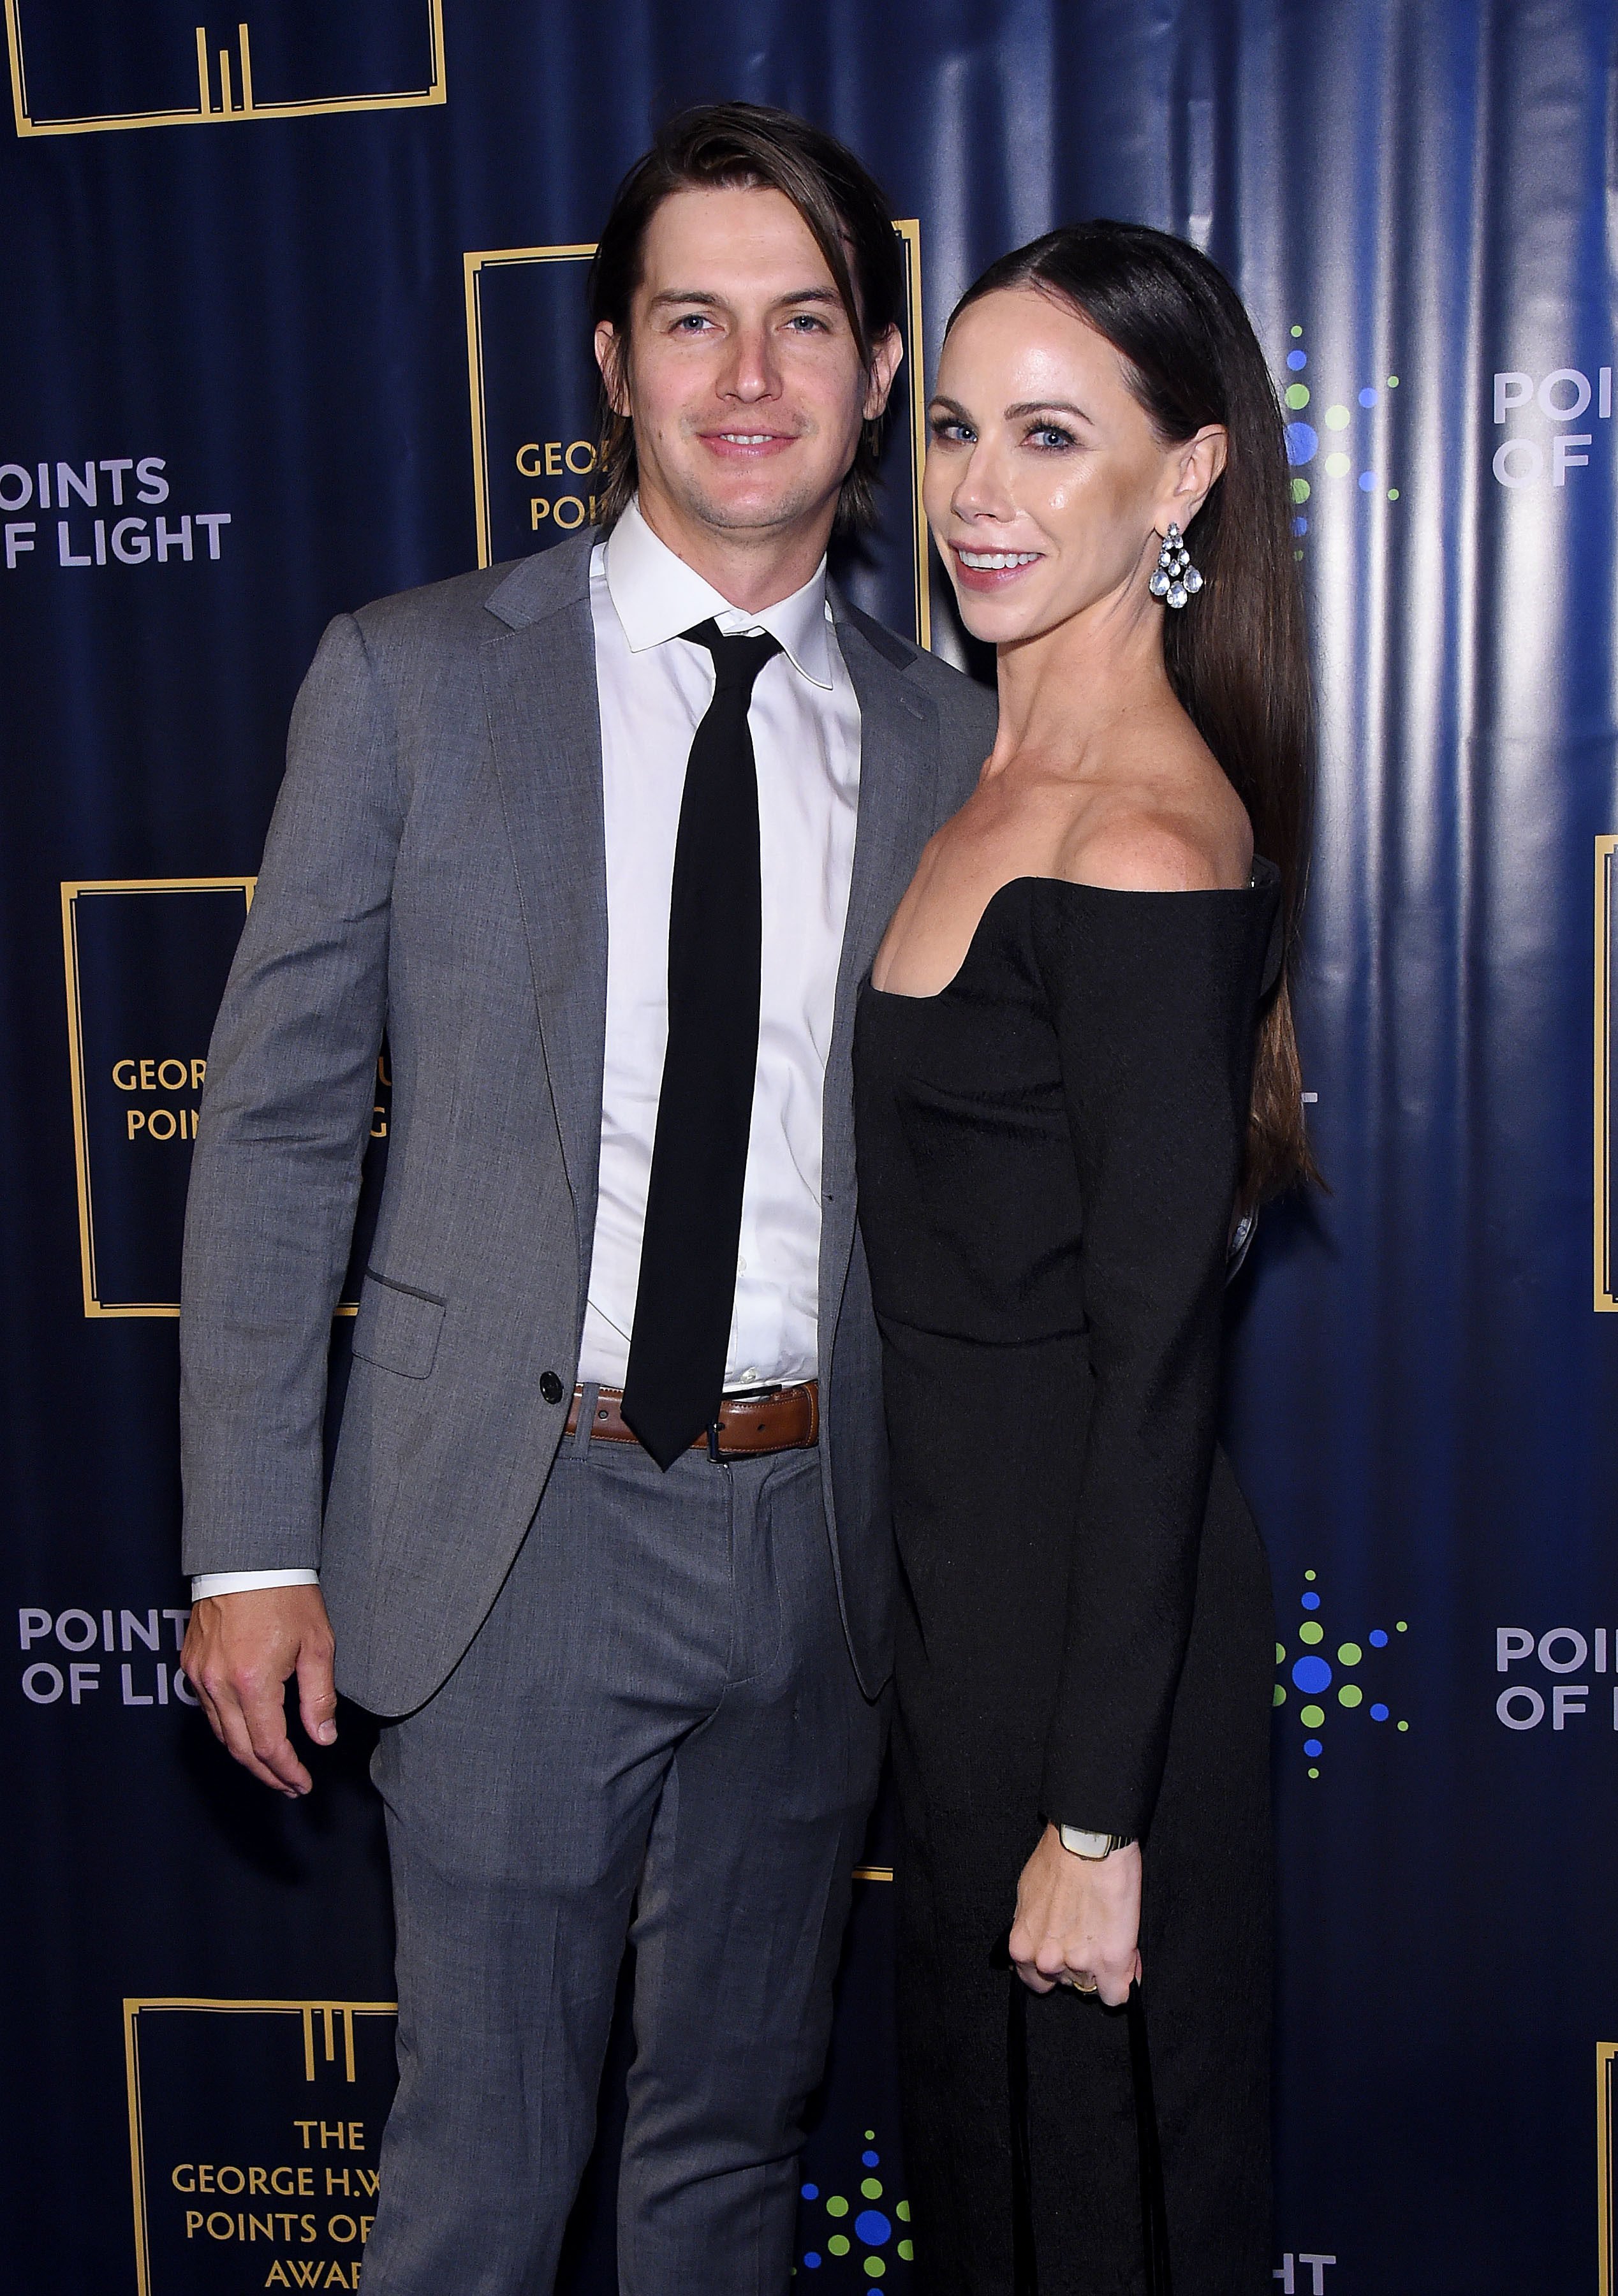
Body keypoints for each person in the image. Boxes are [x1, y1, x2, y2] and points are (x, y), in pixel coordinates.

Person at [177, 103, 996, 2296]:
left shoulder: (947, 747)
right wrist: (250, 1545)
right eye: (695, 320)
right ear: (613, 365)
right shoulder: (415, 678)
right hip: (509, 1532)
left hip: (819, 1545)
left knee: (730, 2157)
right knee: (477, 2175)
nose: (750, 377)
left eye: (804, 320)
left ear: (880, 368)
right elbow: (264, 1129)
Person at [852, 220, 1313, 2292]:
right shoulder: (974, 783)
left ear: (1185, 479)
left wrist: (1097, 1822)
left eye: (1051, 437)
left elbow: (1152, 1366)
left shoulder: (1139, 831)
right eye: (954, 430)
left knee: (1098, 2222)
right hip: (968, 1639)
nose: (976, 493)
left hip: (1092, 1675)